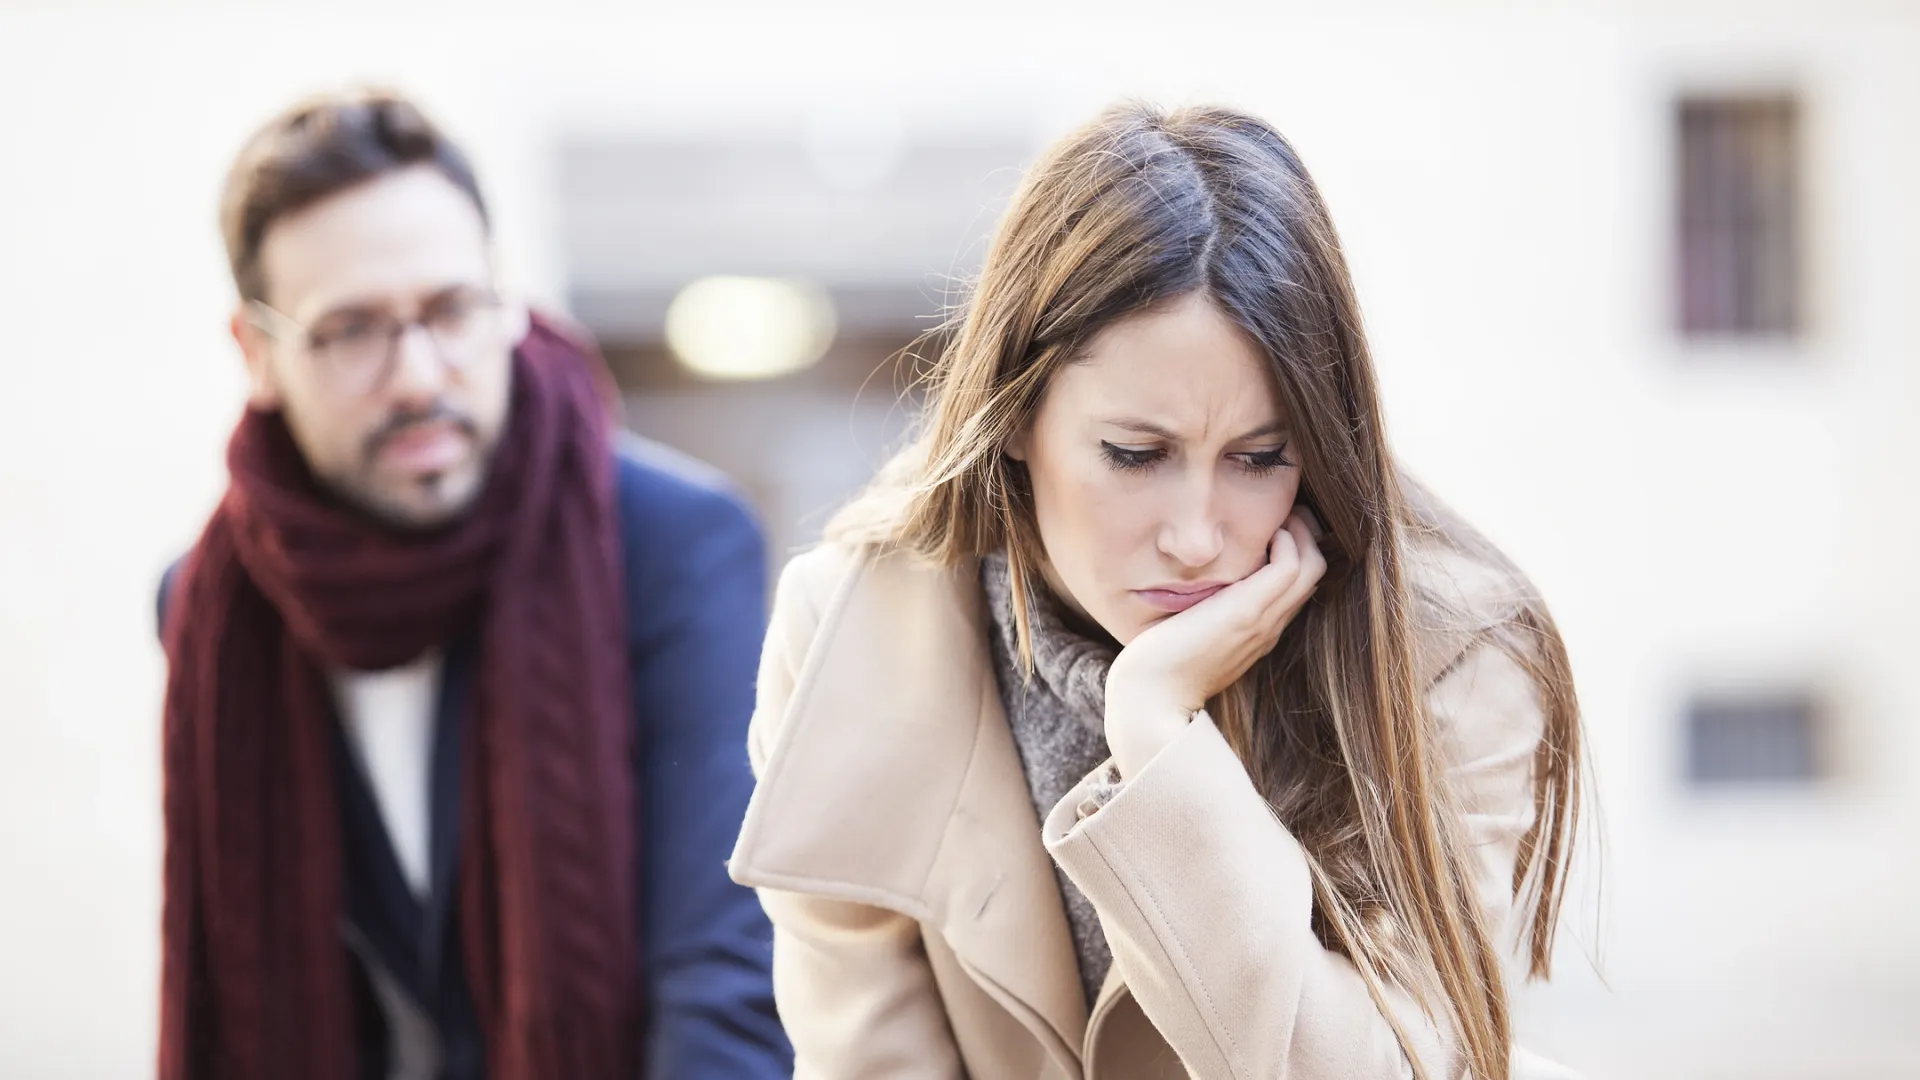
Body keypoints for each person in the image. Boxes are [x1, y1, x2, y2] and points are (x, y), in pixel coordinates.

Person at [729, 102, 1586, 1079]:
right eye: (1136, 455)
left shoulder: (1445, 659)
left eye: (1260, 458)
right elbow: (867, 1056)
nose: (1195, 537)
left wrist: (1160, 743)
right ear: (1014, 412)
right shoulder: (855, 629)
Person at [156, 89, 790, 1080]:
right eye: (352, 331)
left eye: (452, 309)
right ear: (258, 353)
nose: (418, 376)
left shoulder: (674, 545)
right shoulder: (210, 610)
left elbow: (721, 980)